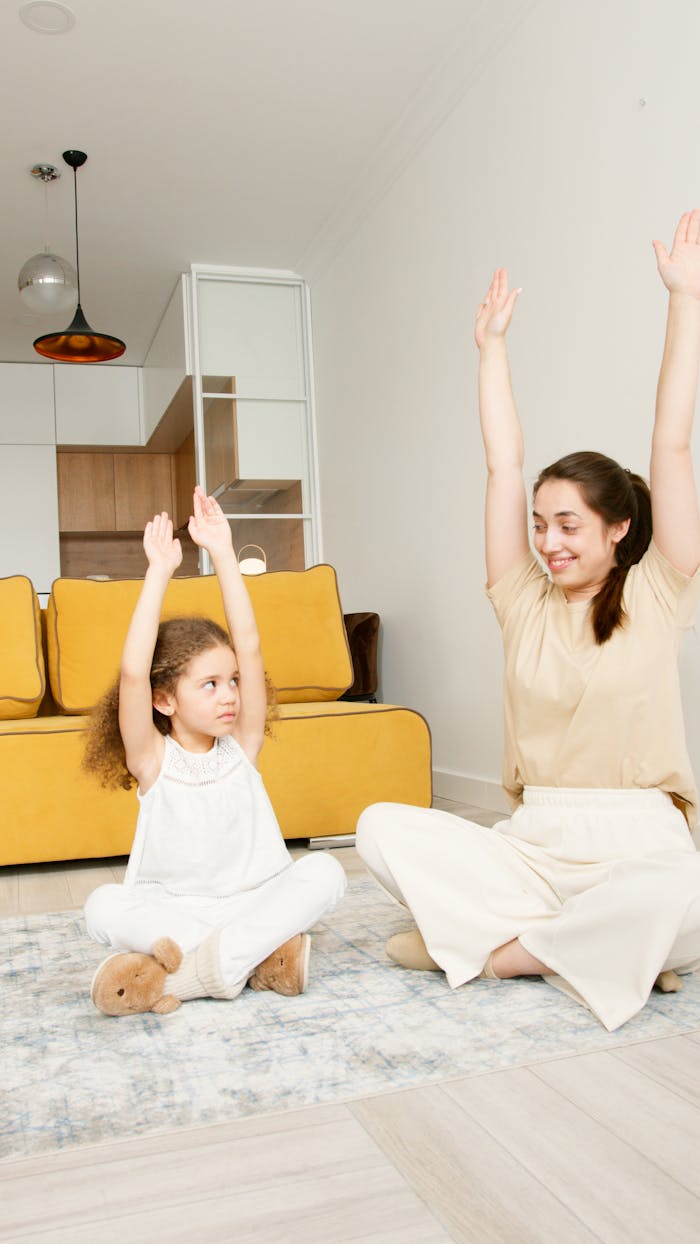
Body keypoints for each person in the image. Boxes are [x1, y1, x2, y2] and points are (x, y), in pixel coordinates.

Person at [356, 210, 700, 1032]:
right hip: (535, 841)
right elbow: (502, 461)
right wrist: (492, 350)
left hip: (638, 840)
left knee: (683, 894)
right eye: (540, 524)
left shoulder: (659, 591)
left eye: (568, 525)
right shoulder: (521, 599)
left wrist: (684, 302)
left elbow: (672, 444)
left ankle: (502, 953)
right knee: (376, 827)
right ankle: (606, 950)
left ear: (618, 529)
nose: (547, 541)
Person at [83, 486, 346, 1013]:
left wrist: (224, 551)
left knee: (329, 873)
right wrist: (158, 570)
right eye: (209, 685)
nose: (229, 695)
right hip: (178, 912)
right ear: (164, 699)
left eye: (233, 682)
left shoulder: (241, 746)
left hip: (254, 900)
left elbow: (248, 646)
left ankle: (189, 974)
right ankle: (257, 958)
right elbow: (133, 672)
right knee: (100, 906)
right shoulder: (154, 761)